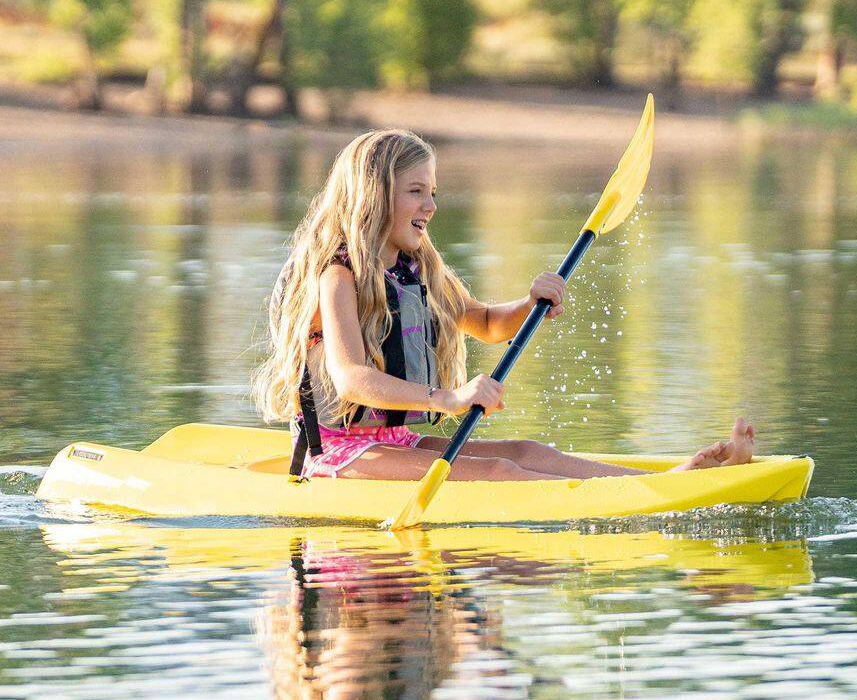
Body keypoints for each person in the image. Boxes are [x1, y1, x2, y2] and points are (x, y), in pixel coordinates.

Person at [252, 129, 755, 481]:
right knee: (497, 470)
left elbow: (487, 323)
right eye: (416, 191)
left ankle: (674, 481)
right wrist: (445, 398)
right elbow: (350, 379)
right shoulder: (338, 275)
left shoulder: (418, 266)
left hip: (395, 445)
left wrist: (530, 303)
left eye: (433, 192)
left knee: (528, 452)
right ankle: (651, 499)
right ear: (373, 197)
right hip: (340, 455)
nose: (431, 205)